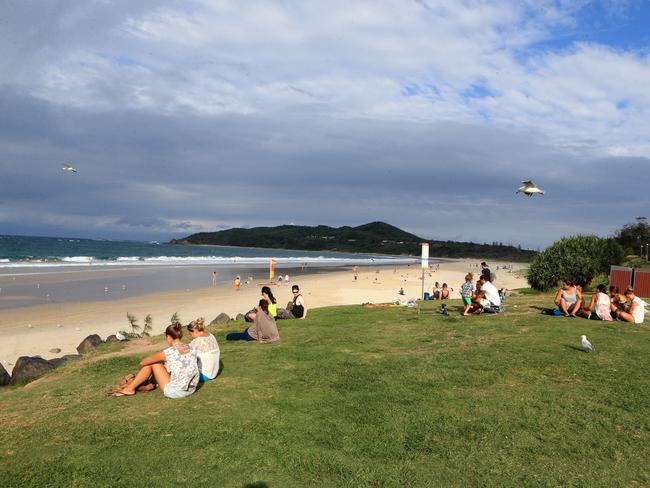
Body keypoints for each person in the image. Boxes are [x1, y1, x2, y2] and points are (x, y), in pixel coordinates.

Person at [113, 322, 199, 398]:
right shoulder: (191, 347)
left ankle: (130, 389)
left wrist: (160, 360)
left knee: (153, 363)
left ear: (168, 337)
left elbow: (143, 362)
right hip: (192, 388)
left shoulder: (168, 352)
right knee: (163, 364)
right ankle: (137, 386)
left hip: (177, 392)